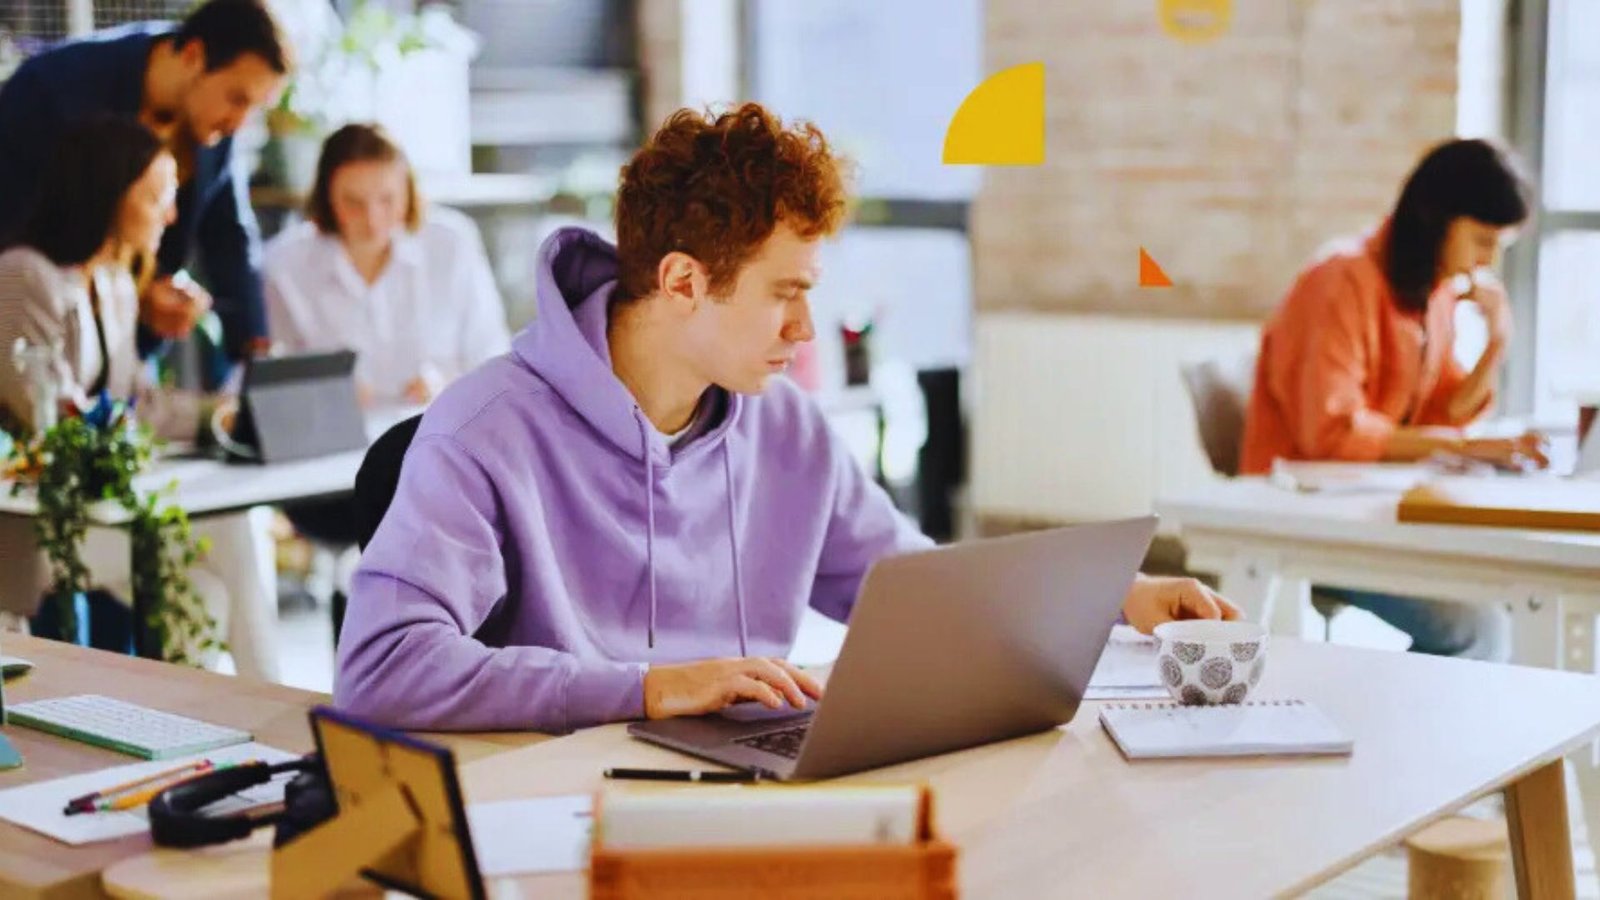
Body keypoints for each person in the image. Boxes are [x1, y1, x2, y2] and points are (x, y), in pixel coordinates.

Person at [335, 103, 1239, 733]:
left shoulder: (787, 428)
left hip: (738, 797)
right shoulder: (484, 430)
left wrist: (1113, 599)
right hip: (561, 815)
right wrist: (646, 690)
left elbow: (912, 586)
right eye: (785, 295)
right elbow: (381, 669)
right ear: (684, 282)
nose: (806, 329)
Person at [1241, 138, 1542, 660]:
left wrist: (1497, 343)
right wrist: (1465, 448)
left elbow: (1442, 411)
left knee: (1503, 600)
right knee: (1477, 625)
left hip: (1372, 511)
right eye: (1482, 240)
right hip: (1307, 519)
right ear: (1436, 218)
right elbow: (1331, 433)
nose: (1488, 262)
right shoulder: (1341, 281)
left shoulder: (1434, 292)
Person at [0, 117, 280, 678]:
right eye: (157, 198)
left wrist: (220, 416)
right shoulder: (23, 278)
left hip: (99, 518)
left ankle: (212, 744)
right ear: (106, 195)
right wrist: (125, 432)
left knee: (204, 591)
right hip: (31, 532)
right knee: (230, 525)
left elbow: (140, 404)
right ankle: (293, 727)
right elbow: (52, 414)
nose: (171, 216)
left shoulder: (115, 283)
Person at [0, 0, 290, 367]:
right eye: (237, 99)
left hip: (128, 353)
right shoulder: (53, 92)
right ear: (192, 56)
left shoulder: (217, 124)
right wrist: (123, 290)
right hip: (34, 343)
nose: (239, 124)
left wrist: (257, 353)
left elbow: (229, 236)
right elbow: (16, 233)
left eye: (255, 108)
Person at [264, 123, 510, 408]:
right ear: (327, 198)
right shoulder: (284, 264)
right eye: (353, 203)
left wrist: (445, 386)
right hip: (336, 440)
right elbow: (273, 378)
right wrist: (324, 392)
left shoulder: (452, 244)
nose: (372, 220)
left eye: (387, 199)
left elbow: (492, 355)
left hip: (442, 429)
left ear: (408, 192)